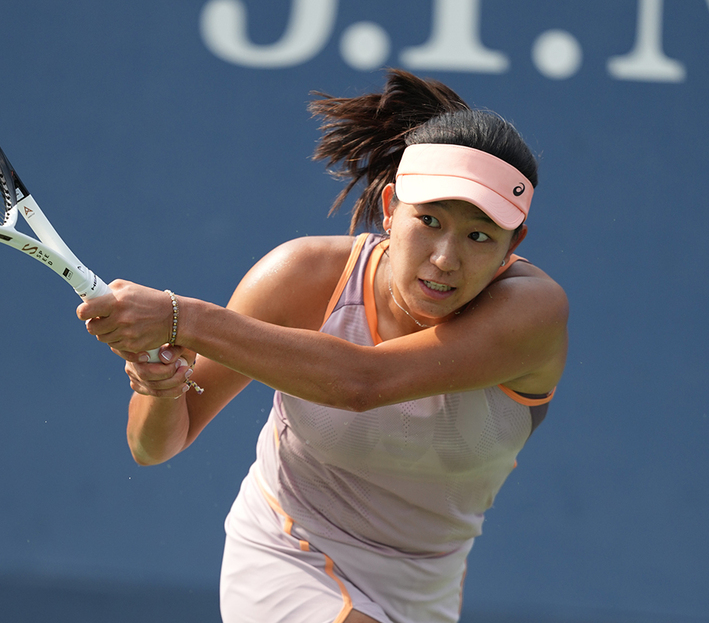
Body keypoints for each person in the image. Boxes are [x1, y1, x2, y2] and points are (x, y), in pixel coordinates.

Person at [77, 69, 568, 623]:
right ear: (390, 208)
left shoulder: (533, 314)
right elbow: (155, 445)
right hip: (289, 549)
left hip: (427, 590)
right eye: (428, 221)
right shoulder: (302, 278)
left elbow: (365, 384)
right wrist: (159, 385)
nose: (445, 259)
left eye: (479, 236)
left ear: (512, 246)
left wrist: (179, 318)